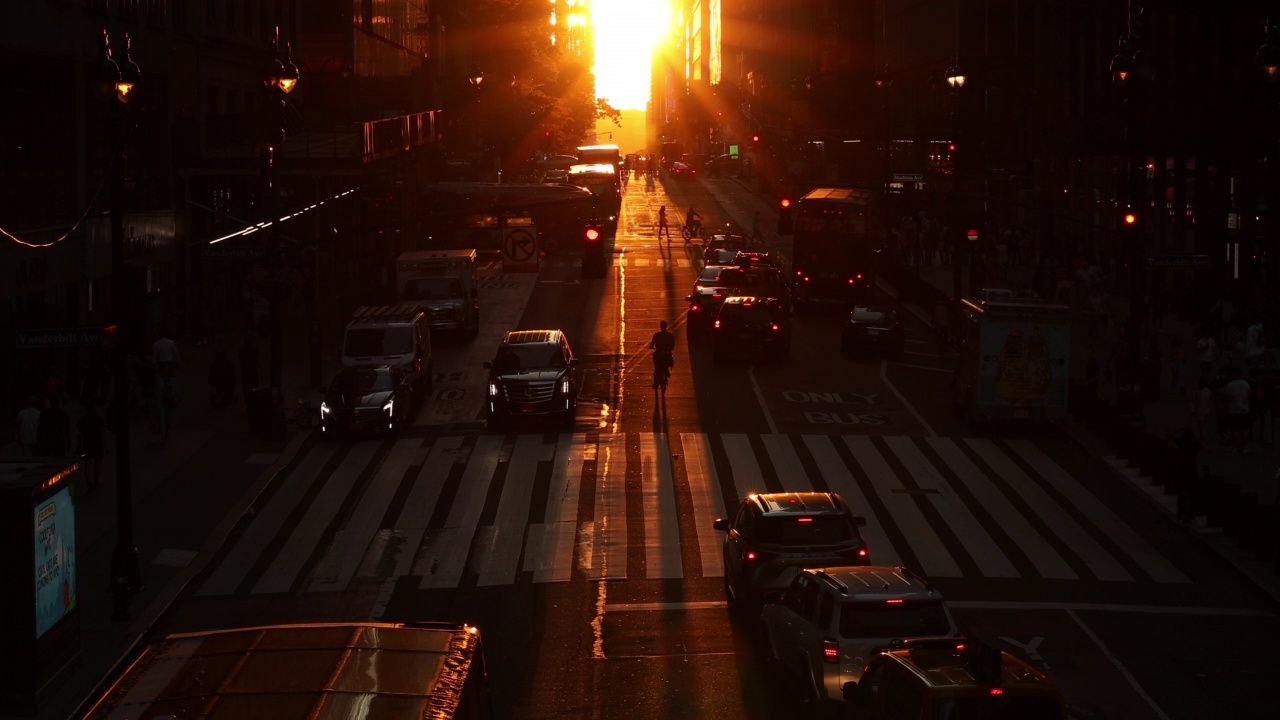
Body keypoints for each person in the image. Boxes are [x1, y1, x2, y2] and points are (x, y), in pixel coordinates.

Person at [76, 401, 107, 491]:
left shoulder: (82, 420)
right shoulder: (98, 419)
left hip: (86, 444)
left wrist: (79, 445)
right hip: (97, 444)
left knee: (87, 465)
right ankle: (96, 481)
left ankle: (89, 483)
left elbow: (78, 434)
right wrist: (106, 445)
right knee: (98, 464)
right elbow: (102, 433)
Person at [154, 363, 180, 442]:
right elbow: (157, 391)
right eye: (165, 371)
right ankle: (163, 433)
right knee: (162, 418)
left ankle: (165, 431)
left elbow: (175, 389)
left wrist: (179, 397)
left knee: (167, 418)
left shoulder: (172, 380)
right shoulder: (159, 381)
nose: (166, 372)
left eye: (167, 371)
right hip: (162, 402)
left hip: (168, 402)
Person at [648, 320, 676, 389]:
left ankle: (656, 383)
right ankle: (667, 372)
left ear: (660, 326)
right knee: (669, 361)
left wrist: (651, 346)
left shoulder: (656, 335)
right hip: (667, 354)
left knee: (657, 368)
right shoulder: (670, 335)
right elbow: (672, 345)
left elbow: (652, 344)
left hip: (659, 354)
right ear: (666, 326)